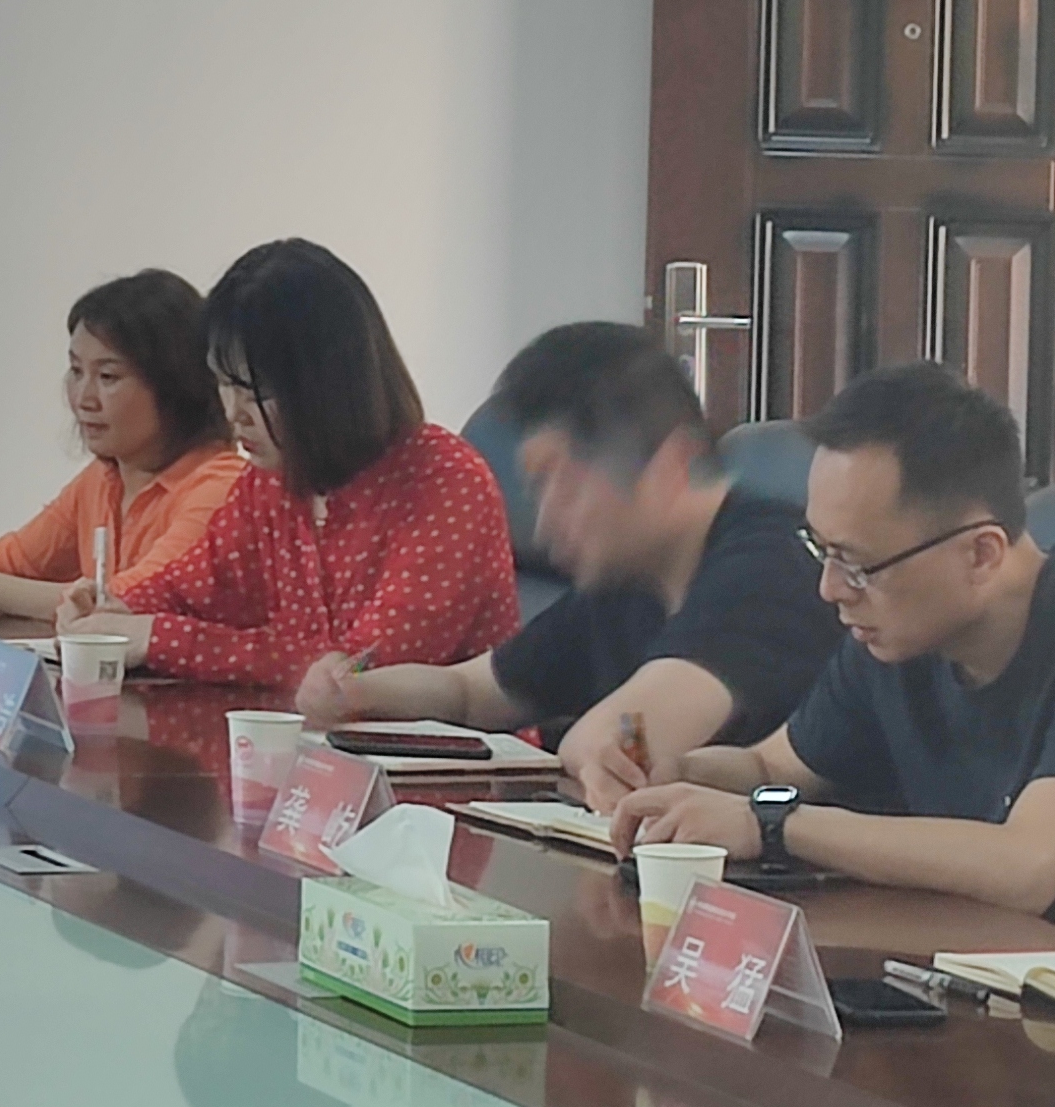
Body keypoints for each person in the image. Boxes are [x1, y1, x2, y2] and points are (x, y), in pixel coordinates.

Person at [606, 363, 1055, 961]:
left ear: (981, 553)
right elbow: (769, 770)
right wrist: (677, 772)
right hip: (1006, 987)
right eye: (822, 550)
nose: (830, 589)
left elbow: (1029, 864)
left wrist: (769, 826)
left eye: (856, 563)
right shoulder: (898, 634)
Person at [296, 323, 833, 783]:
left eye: (563, 482)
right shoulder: (632, 578)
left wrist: (598, 740)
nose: (544, 519)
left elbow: (630, 736)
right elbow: (470, 691)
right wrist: (356, 692)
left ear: (671, 466)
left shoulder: (770, 568)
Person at [59, 239, 516, 693]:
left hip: (439, 743)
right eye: (224, 384)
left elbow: (359, 669)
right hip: (306, 736)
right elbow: (192, 588)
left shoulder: (445, 482)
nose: (233, 412)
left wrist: (161, 639)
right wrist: (112, 611)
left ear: (327, 384)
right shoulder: (269, 481)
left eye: (254, 390)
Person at [0, 270, 244, 620]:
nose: (83, 398)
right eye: (75, 371)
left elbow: (121, 602)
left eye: (107, 377)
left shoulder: (221, 485)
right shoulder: (104, 477)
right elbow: (14, 562)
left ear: (176, 386)